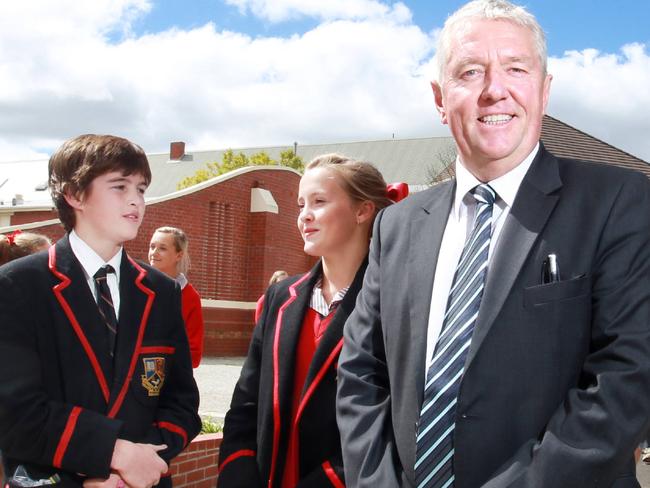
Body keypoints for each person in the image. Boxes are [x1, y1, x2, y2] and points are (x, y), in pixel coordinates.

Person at [336, 1, 650, 487]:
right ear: (440, 98)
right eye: (470, 72)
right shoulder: (394, 227)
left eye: (516, 68)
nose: (494, 90)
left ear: (544, 92)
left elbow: (625, 379)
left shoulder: (620, 203)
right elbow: (361, 374)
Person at [0, 134, 201, 488]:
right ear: (75, 195)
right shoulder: (18, 285)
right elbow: (15, 412)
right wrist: (112, 455)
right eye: (119, 186)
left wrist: (135, 466)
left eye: (141, 188)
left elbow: (182, 402)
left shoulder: (162, 291)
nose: (136, 201)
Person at [217, 154, 396, 487]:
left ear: (362, 210)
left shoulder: (394, 303)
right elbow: (246, 403)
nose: (304, 216)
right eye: (301, 205)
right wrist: (238, 473)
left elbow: (392, 423)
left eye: (319, 202)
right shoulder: (280, 297)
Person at [149, 226, 204, 368]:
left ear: (179, 255)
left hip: (165, 378)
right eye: (152, 246)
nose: (154, 253)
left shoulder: (190, 297)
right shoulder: (133, 285)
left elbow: (194, 354)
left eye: (162, 248)